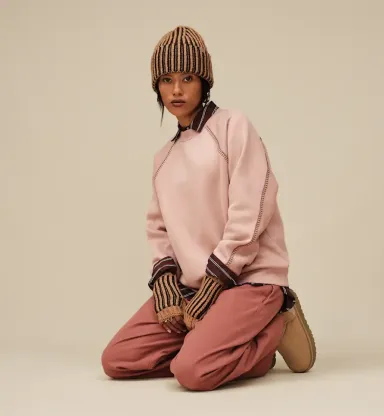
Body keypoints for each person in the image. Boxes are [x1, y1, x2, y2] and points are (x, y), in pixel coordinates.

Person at [101, 25, 316, 391]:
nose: (177, 90)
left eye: (187, 78)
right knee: (118, 360)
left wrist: (213, 286)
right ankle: (227, 347)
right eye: (166, 80)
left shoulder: (232, 126)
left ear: (204, 82)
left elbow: (253, 210)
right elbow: (159, 231)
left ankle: (275, 324)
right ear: (157, 87)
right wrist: (167, 287)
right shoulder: (163, 158)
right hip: (192, 289)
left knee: (191, 372)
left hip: (249, 280)